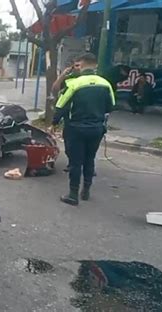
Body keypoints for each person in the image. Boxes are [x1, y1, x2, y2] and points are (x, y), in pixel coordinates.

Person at [50, 53, 115, 206]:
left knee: (75, 162)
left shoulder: (75, 83)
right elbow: (110, 106)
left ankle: (73, 195)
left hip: (76, 128)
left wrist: (54, 123)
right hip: (96, 129)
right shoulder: (105, 83)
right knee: (89, 159)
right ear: (95, 65)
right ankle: (86, 191)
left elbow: (61, 106)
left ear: (83, 65)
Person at [51, 59, 82, 172]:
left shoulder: (88, 80)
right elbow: (55, 89)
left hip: (83, 116)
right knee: (69, 143)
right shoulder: (69, 79)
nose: (78, 68)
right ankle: (72, 163)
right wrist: (62, 75)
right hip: (69, 117)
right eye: (76, 66)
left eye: (80, 65)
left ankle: (86, 165)